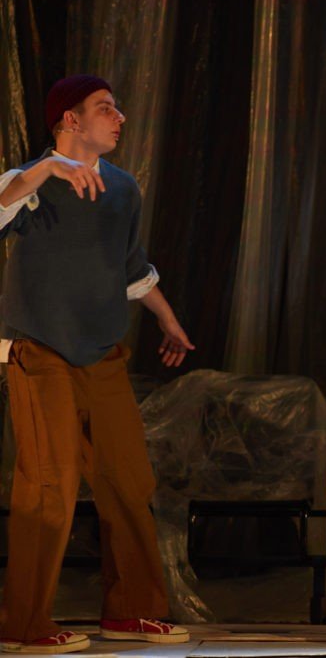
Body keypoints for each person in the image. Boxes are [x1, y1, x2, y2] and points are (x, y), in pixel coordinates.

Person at [0, 75, 194, 654]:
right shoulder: (30, 180)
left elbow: (130, 266)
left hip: (102, 353)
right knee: (50, 483)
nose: (120, 118)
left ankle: (132, 611)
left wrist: (167, 319)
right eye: (105, 108)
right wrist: (46, 170)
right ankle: (24, 624)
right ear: (70, 120)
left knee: (128, 478)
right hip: (40, 350)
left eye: (117, 108)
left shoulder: (123, 187)